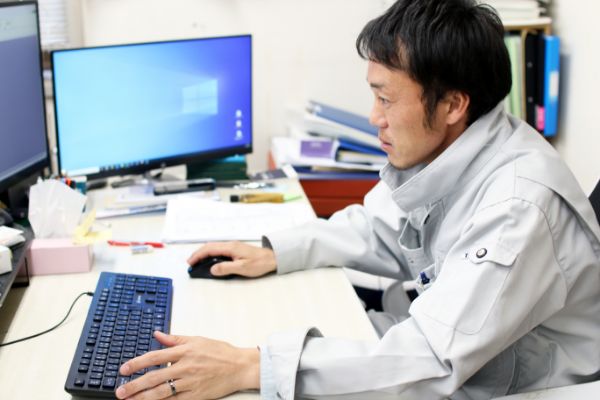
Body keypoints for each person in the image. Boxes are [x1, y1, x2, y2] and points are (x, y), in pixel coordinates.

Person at [115, 0, 600, 399]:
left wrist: (251, 367)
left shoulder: (518, 207)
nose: (373, 118)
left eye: (386, 99)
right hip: (463, 350)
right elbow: (378, 228)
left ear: (453, 104)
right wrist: (276, 251)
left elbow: (432, 360)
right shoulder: (458, 146)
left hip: (526, 383)